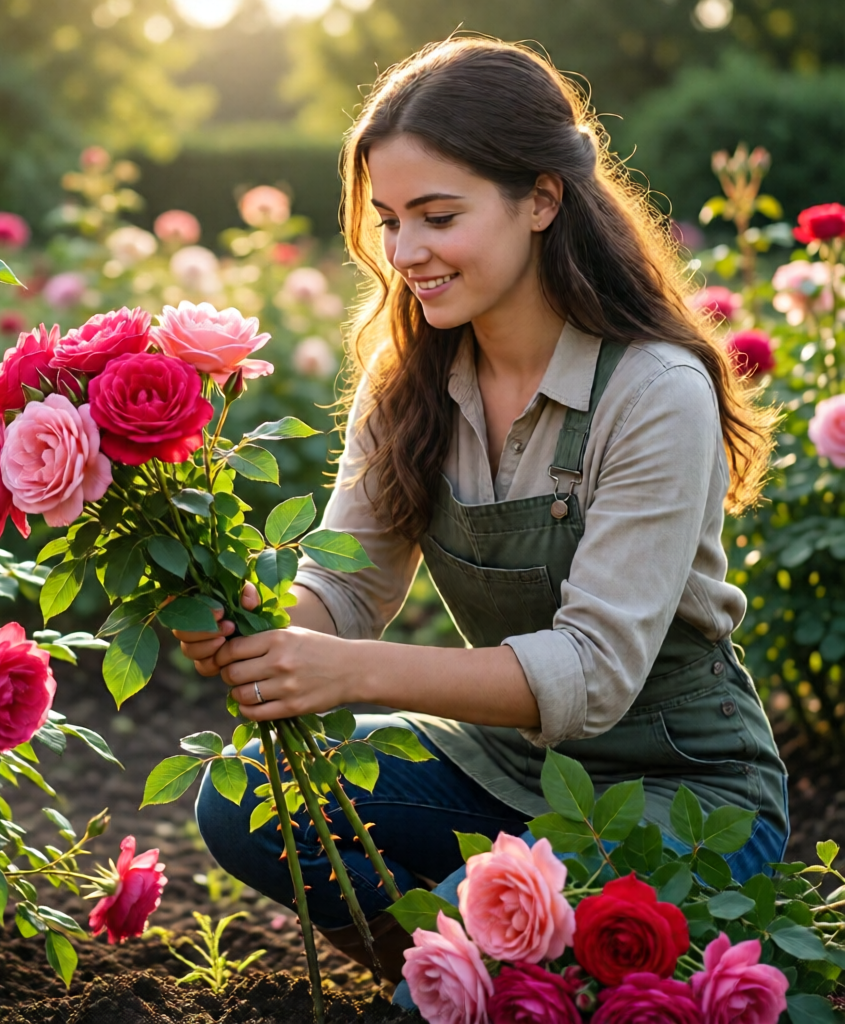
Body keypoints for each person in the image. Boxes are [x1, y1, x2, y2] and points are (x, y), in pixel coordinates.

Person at [175, 37, 789, 984]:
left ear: (541, 199)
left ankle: (516, 985)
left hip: (681, 784)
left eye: (438, 215)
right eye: (388, 220)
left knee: (588, 936)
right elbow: (343, 584)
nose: (405, 253)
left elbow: (592, 673)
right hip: (506, 767)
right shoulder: (410, 380)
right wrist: (252, 632)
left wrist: (343, 673)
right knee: (248, 796)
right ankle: (445, 992)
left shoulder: (654, 390)